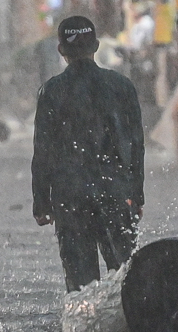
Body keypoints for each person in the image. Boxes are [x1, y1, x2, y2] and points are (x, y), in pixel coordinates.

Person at [32, 15, 145, 292]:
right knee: (126, 279)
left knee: (81, 287)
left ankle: (85, 321)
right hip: (115, 192)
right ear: (95, 46)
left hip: (70, 197)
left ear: (61, 50)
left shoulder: (52, 91)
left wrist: (41, 202)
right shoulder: (122, 87)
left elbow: (43, 151)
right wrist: (136, 195)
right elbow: (136, 145)